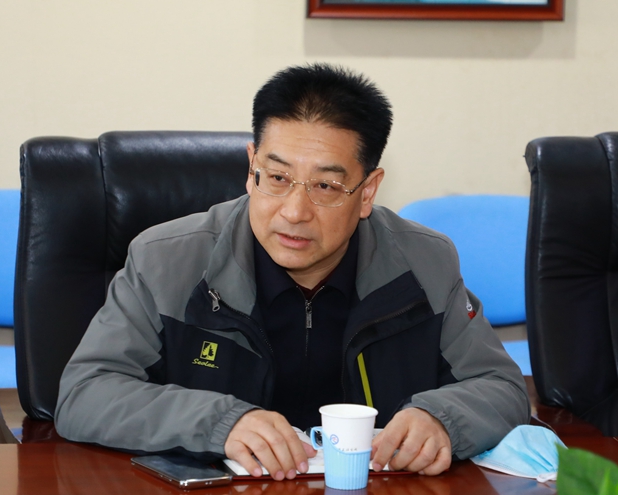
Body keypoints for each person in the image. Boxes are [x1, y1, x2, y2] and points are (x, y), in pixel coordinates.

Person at [55, 63, 529, 479]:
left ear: (367, 192)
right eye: (278, 178)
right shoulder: (166, 261)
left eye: (326, 186)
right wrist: (219, 422)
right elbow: (85, 394)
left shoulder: (424, 263)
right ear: (251, 169)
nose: (295, 212)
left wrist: (443, 418)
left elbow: (502, 387)